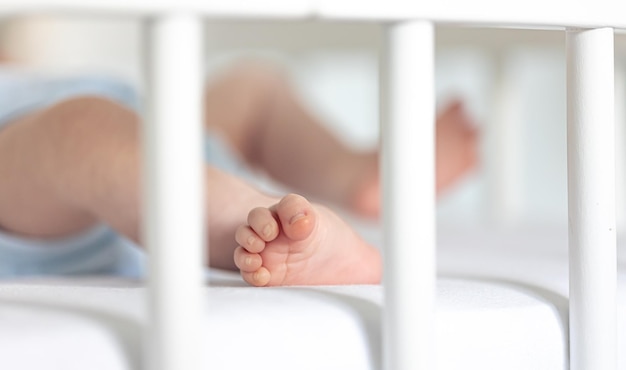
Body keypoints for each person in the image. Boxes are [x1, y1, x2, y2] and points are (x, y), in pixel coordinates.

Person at [0, 61, 477, 286]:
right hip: (40, 182)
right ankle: (255, 222)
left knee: (253, 87)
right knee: (81, 134)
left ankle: (357, 173)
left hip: (157, 130)